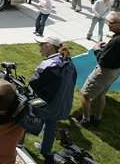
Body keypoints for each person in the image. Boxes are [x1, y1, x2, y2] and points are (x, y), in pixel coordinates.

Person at [79, 11, 120, 127]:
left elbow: (103, 61)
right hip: (116, 72)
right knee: (101, 95)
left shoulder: (117, 41)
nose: (108, 24)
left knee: (85, 95)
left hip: (104, 72)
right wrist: (107, 48)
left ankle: (86, 120)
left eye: (111, 22)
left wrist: (96, 49)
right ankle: (98, 118)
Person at [30, 36, 77, 164]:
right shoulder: (69, 62)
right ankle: (45, 150)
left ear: (50, 46)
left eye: (42, 45)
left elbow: (33, 83)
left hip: (48, 105)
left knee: (24, 110)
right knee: (51, 124)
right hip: (63, 105)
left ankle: (19, 143)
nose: (40, 48)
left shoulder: (48, 64)